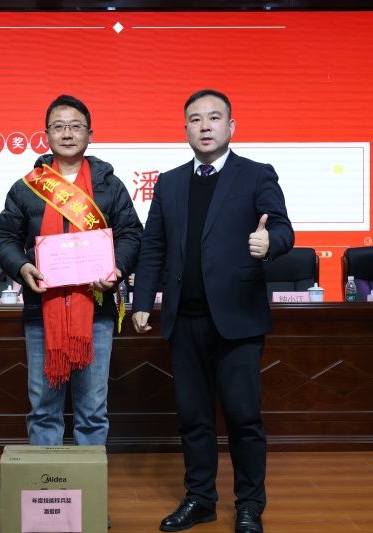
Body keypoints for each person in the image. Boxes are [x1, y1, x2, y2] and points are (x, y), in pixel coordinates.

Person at [131, 90, 294, 533]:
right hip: (184, 319)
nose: (205, 126)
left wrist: (270, 243)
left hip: (237, 319)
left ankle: (249, 506)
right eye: (196, 119)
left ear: (231, 126)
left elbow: (283, 227)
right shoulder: (169, 183)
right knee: (193, 418)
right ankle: (200, 499)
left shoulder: (256, 174)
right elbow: (154, 246)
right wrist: (142, 302)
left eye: (214, 117)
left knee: (243, 417)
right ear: (185, 128)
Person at [0, 94, 142, 445]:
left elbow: (132, 235)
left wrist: (117, 268)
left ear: (90, 134)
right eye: (58, 127)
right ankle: (48, 477)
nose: (67, 133)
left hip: (97, 308)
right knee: (43, 406)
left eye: (76, 126)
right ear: (46, 134)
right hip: (42, 309)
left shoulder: (109, 185)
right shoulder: (27, 187)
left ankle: (88, 477)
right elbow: (3, 237)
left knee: (93, 408)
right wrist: (23, 266)